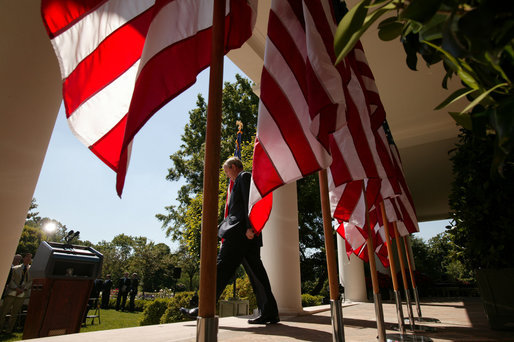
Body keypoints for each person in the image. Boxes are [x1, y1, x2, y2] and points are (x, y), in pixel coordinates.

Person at [181, 157, 279, 324]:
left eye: (227, 171)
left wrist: (251, 227)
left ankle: (201, 306)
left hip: (241, 234)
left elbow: (251, 202)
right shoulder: (240, 180)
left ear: (234, 167)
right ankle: (269, 312)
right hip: (244, 235)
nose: (227, 175)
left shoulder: (244, 177)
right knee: (256, 274)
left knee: (220, 269)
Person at [0, 253, 32, 333]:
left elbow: (30, 281)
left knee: (14, 314)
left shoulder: (31, 270)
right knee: (4, 312)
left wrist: (24, 288)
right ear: (24, 258)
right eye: (27, 257)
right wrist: (16, 288)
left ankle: (9, 330)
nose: (28, 259)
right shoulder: (15, 268)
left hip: (22, 294)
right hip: (12, 292)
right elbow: (10, 280)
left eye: (30, 258)